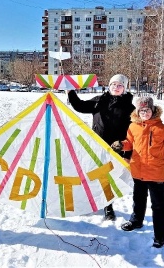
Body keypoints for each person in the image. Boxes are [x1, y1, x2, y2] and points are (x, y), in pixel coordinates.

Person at [111, 96, 164, 248]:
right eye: (141, 110)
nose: (144, 113)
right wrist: (121, 145)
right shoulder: (133, 127)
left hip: (156, 173)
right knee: (138, 199)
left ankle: (160, 235)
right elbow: (130, 143)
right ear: (137, 111)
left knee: (159, 206)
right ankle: (136, 221)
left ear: (153, 110)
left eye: (147, 110)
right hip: (138, 170)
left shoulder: (160, 128)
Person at [68, 74, 135, 220]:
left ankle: (108, 206)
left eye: (120, 85)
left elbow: (133, 133)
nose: (116, 88)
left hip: (116, 148)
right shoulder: (99, 101)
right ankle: (88, 202)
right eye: (113, 84)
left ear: (124, 88)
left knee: (108, 178)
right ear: (109, 85)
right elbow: (80, 106)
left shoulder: (130, 108)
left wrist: (127, 154)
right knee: (92, 174)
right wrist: (70, 92)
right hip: (96, 145)